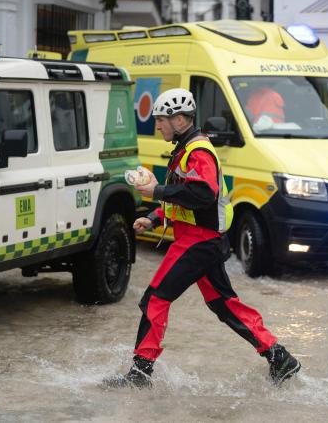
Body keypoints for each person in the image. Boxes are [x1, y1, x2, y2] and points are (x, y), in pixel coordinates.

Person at [108, 88, 301, 389]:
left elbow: (203, 193)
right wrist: (154, 217)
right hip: (203, 242)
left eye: (161, 120)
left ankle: (140, 374)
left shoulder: (198, 151)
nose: (157, 126)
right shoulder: (187, 150)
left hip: (198, 243)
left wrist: (155, 191)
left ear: (181, 119)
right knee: (225, 305)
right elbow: (185, 200)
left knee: (155, 300)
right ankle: (280, 357)